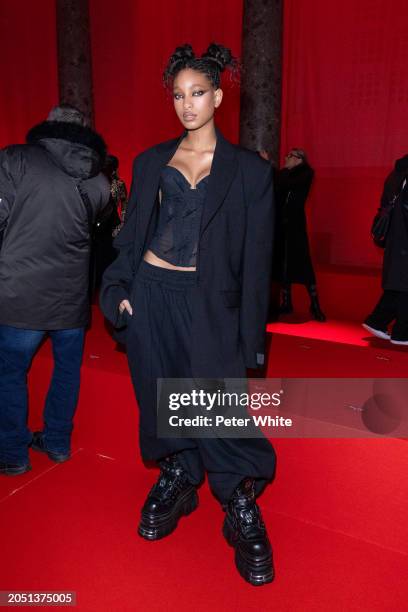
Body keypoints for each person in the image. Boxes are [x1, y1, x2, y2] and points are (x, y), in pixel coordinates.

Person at [100, 43, 276, 586]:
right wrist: (119, 290)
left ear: (218, 97)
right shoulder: (151, 161)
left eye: (197, 93)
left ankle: (239, 498)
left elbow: (256, 263)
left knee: (217, 404)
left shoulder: (250, 171)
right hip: (152, 294)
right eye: (178, 95)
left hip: (210, 303)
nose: (187, 105)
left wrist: (251, 340)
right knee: (159, 391)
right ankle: (179, 473)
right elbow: (131, 239)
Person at [0, 104, 110, 476]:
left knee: (9, 373)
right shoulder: (98, 179)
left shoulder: (16, 159)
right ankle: (58, 441)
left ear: (48, 125)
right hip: (71, 297)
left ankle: (13, 452)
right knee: (67, 371)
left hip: (20, 293)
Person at [273, 148, 326, 321]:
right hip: (281, 225)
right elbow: (277, 186)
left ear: (299, 159)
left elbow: (288, 184)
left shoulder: (306, 173)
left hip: (296, 225)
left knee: (302, 262)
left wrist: (277, 171)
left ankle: (315, 305)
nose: (286, 158)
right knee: (283, 262)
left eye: (289, 156)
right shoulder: (283, 174)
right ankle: (286, 303)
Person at [363, 155, 408, 345]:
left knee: (399, 285)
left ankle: (378, 321)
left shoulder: (395, 174)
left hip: (395, 238)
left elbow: (384, 205)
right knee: (403, 285)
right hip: (404, 238)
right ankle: (401, 333)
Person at [91, 155, 128, 292]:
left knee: (110, 257)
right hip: (96, 226)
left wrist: (122, 224)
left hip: (112, 226)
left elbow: (125, 205)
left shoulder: (118, 185)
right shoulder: (96, 183)